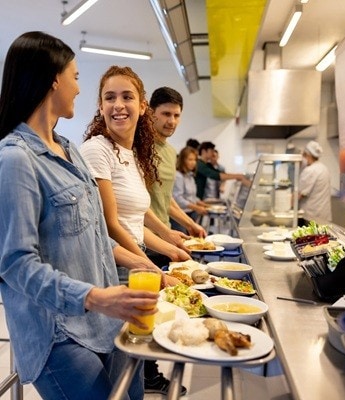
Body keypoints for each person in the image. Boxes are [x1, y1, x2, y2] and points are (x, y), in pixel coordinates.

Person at [0, 31, 158, 400]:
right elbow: (15, 264)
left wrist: (145, 267)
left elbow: (93, 236)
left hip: (102, 320)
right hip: (56, 330)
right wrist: (98, 298)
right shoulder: (15, 160)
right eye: (75, 77)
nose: (78, 89)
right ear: (53, 78)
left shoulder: (69, 149)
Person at [80, 66, 187, 396]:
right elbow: (110, 225)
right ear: (100, 106)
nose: (118, 105)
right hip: (112, 272)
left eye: (127, 96)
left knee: (134, 370)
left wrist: (172, 248)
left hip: (132, 270)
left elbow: (136, 220)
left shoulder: (130, 154)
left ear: (142, 106)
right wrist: (153, 268)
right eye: (109, 97)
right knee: (122, 376)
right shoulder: (97, 150)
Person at [148, 87, 206, 239]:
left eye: (176, 115)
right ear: (150, 112)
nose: (171, 121)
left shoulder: (171, 152)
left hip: (165, 234)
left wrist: (190, 224)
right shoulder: (138, 147)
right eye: (166, 114)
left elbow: (165, 199)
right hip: (144, 239)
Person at [172, 146, 209, 232]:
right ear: (183, 160)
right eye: (190, 159)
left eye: (195, 160)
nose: (193, 162)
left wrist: (202, 203)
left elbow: (192, 197)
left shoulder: (190, 176)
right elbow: (178, 199)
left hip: (192, 213)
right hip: (180, 215)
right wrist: (197, 207)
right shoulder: (178, 176)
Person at [298, 140, 332, 221]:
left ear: (308, 155)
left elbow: (299, 195)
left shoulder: (310, 170)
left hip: (311, 217)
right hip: (324, 216)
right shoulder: (324, 168)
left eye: (303, 155)